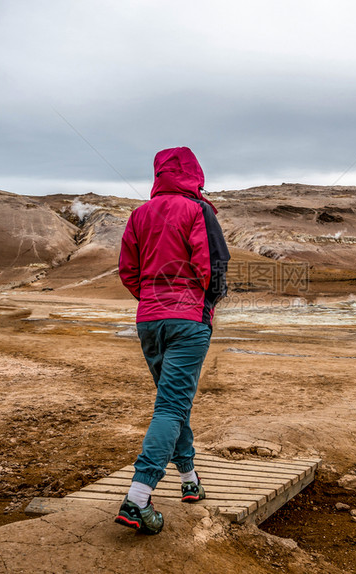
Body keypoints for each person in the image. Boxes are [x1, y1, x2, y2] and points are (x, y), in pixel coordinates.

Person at [115, 146, 230, 534]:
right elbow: (213, 266)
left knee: (172, 403)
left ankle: (189, 478)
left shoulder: (139, 214)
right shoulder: (198, 210)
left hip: (149, 320)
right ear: (194, 173)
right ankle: (138, 496)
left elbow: (128, 270)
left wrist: (151, 299)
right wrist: (205, 303)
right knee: (170, 406)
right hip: (187, 319)